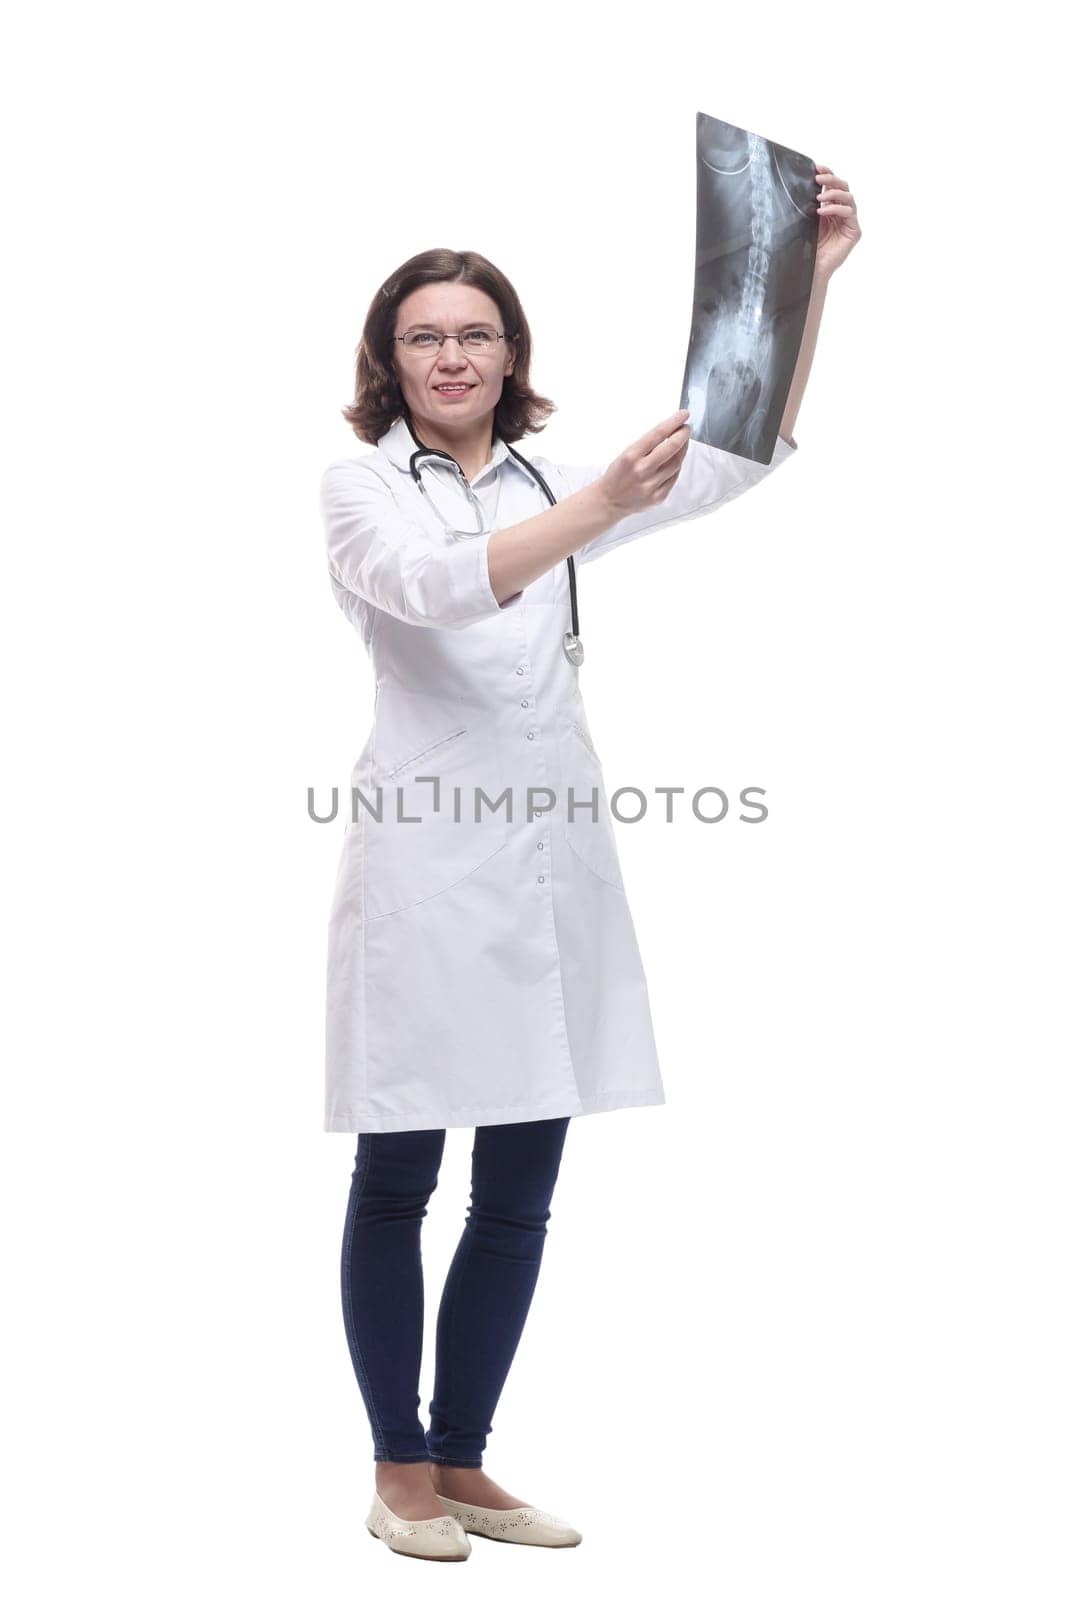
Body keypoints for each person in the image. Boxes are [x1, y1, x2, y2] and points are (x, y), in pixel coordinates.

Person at [319, 169, 860, 1561]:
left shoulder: (556, 473)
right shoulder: (360, 487)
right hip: (428, 876)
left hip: (553, 868)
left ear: (512, 357)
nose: (452, 357)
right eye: (426, 336)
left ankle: (467, 1456)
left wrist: (809, 285)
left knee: (521, 1187)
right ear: (391, 358)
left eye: (476, 335)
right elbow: (440, 585)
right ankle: (399, 1472)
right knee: (399, 1177)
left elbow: (727, 458)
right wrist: (601, 501)